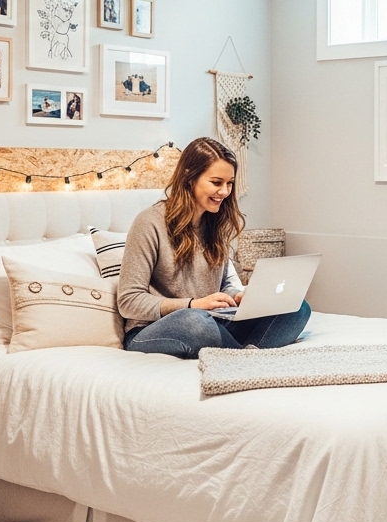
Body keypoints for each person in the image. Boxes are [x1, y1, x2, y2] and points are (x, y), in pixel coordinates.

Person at [118, 137, 309, 358]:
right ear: (190, 178)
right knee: (196, 322)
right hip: (154, 329)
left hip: (215, 321)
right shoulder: (149, 222)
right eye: (217, 182)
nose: (225, 192)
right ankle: (250, 360)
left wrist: (238, 297)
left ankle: (248, 357)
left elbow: (225, 283)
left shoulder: (215, 222)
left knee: (296, 306)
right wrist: (193, 305)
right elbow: (128, 301)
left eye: (229, 183)